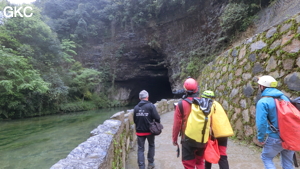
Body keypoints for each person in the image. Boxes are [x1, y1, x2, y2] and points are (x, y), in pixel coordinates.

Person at [255, 75, 294, 169]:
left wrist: (261, 138)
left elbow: (261, 123)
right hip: (290, 136)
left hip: (275, 137)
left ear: (262, 87)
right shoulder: (285, 98)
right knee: (288, 162)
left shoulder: (263, 102)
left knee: (266, 158)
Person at [172, 77, 205, 169]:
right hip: (202, 137)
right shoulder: (204, 103)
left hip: (187, 138)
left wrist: (174, 139)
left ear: (185, 90)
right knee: (200, 162)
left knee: (188, 164)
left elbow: (176, 125)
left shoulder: (181, 104)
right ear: (196, 89)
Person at [201, 90, 230, 169]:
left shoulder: (206, 105)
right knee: (222, 154)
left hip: (212, 134)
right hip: (223, 133)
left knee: (208, 153)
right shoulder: (218, 105)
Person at [133, 90, 161, 169]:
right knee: (151, 145)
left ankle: (141, 166)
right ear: (147, 97)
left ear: (139, 98)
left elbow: (135, 120)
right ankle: (151, 163)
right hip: (150, 131)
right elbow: (157, 118)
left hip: (139, 132)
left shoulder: (136, 107)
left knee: (140, 149)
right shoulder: (151, 106)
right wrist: (157, 125)